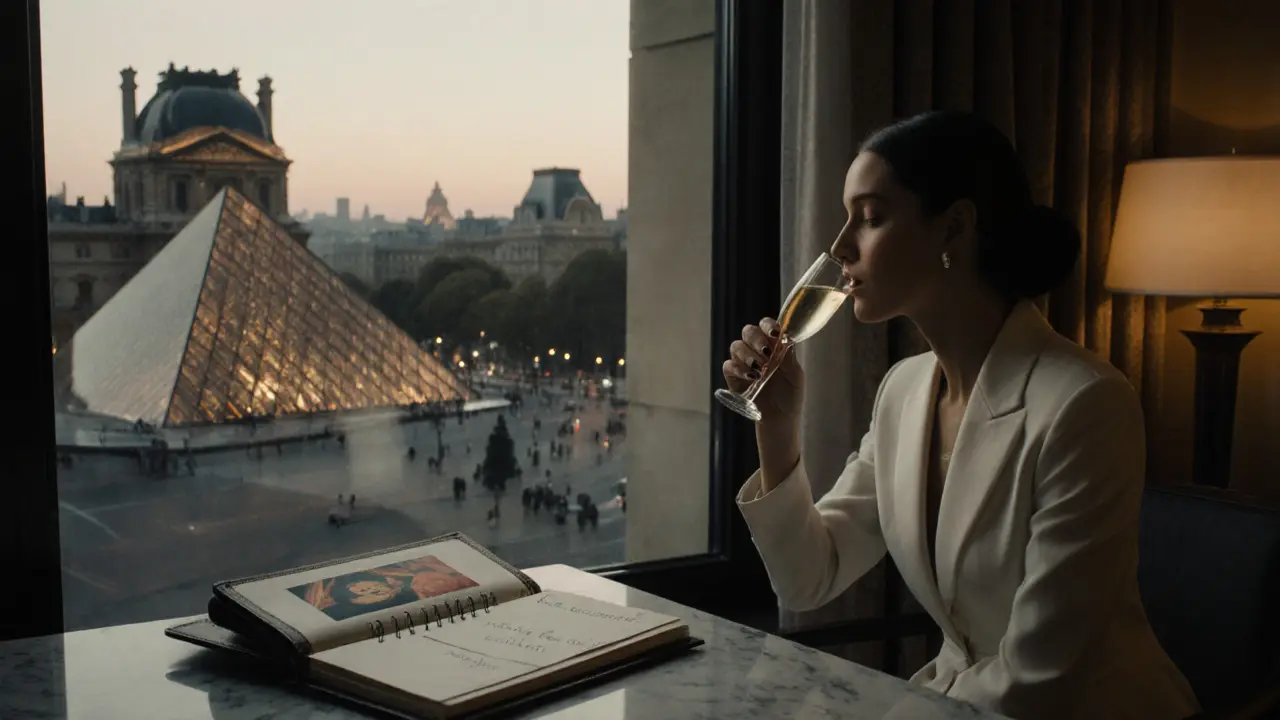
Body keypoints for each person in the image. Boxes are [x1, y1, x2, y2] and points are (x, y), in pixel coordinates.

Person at [724, 111, 1198, 720]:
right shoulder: (903, 392)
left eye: (869, 218)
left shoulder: (1086, 405)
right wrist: (777, 426)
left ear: (954, 227)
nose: (839, 248)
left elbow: (1040, 679)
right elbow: (809, 578)